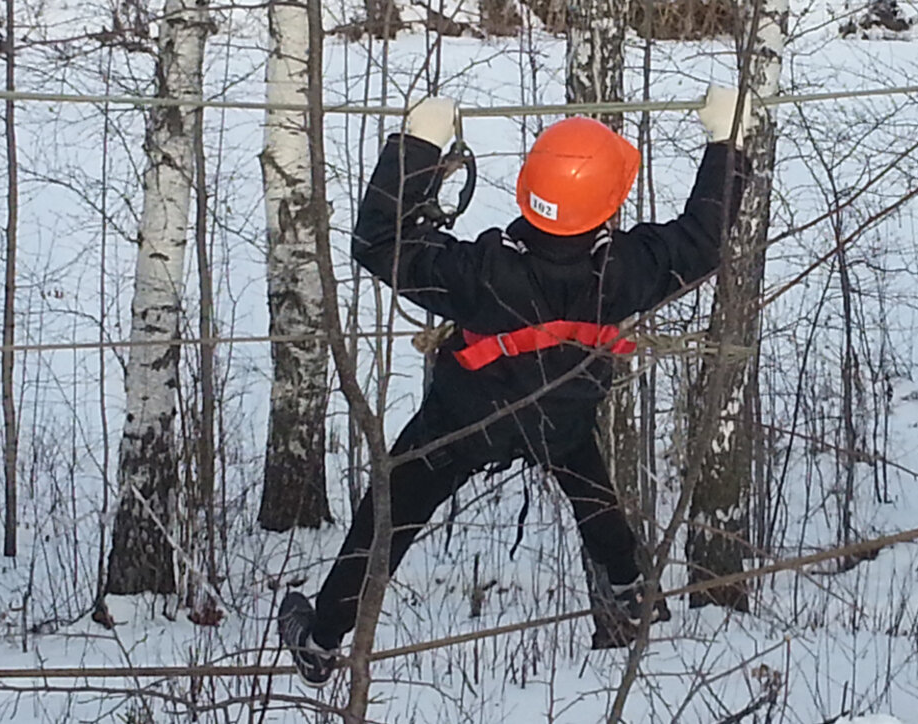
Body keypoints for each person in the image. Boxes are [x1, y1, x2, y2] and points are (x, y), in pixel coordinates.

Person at [276, 85, 755, 687]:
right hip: (562, 419)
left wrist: (418, 145)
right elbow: (704, 237)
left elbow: (381, 244)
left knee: (388, 513)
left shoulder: (480, 271)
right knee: (586, 480)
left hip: (463, 422)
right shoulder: (629, 268)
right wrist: (725, 142)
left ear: (533, 191)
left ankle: (321, 639)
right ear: (609, 200)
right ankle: (631, 585)